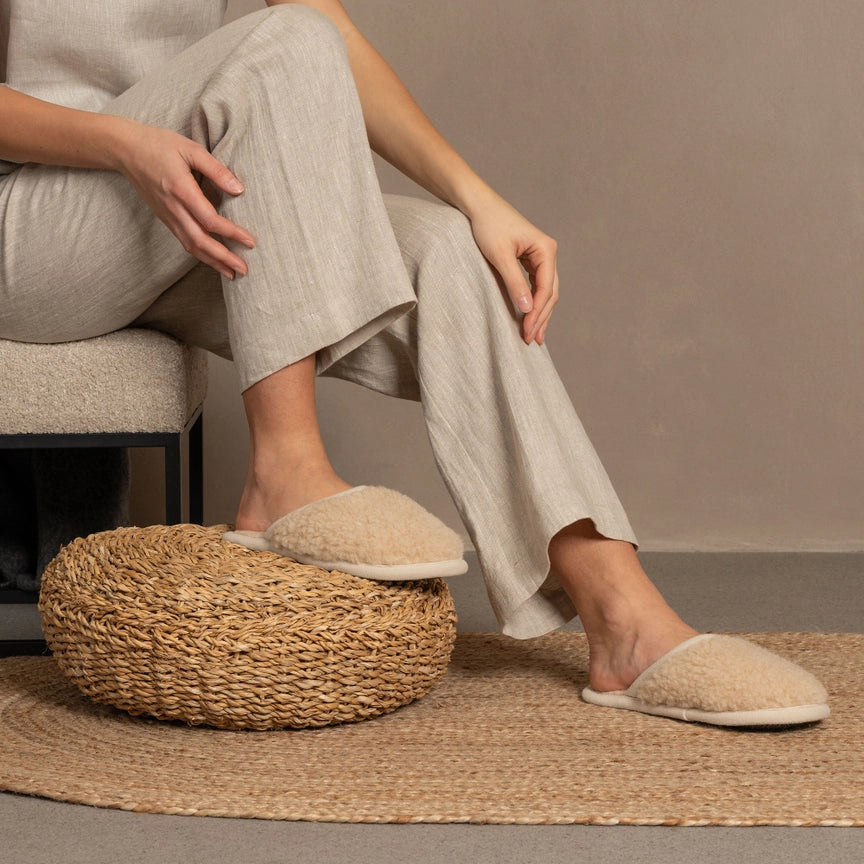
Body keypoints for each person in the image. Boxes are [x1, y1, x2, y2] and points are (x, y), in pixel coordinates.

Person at [0, 0, 828, 726]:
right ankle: (285, 469)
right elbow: (285, 44)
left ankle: (625, 620)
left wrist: (478, 200)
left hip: (173, 205)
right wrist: (124, 144)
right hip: (30, 228)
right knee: (283, 39)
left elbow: (325, 36)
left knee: (449, 253)